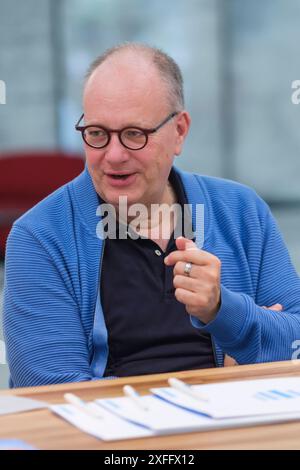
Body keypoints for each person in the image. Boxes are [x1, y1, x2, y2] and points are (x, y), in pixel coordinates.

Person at [3, 43, 300, 388]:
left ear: (179, 131)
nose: (113, 155)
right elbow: (50, 390)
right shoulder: (41, 237)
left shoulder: (240, 211)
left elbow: (294, 344)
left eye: (134, 134)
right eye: (97, 133)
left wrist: (224, 311)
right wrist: (239, 362)